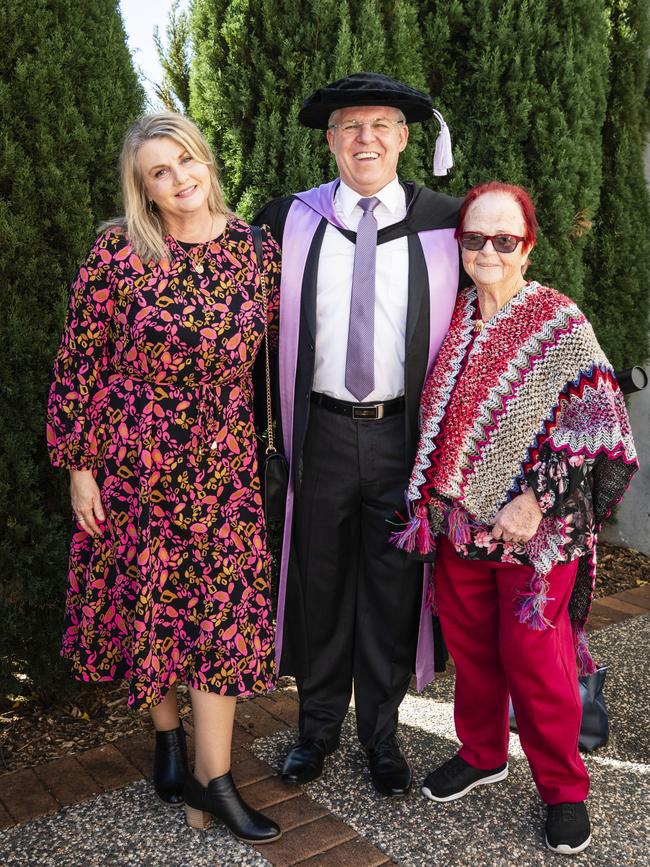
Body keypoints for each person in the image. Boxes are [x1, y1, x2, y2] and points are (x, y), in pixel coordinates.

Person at [47, 112, 282, 843]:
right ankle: (168, 740)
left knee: (222, 616)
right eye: (159, 172)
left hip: (223, 465)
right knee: (149, 607)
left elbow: (279, 353)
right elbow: (79, 363)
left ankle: (213, 778)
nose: (179, 180)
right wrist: (80, 469)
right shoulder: (119, 253)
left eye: (185, 161)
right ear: (142, 188)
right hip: (134, 464)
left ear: (205, 160)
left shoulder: (255, 250)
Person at [392, 181, 638, 854]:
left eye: (505, 239)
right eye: (476, 238)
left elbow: (601, 426)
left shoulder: (560, 323)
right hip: (459, 526)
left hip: (539, 537)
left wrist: (537, 498)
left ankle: (564, 786)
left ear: (528, 246)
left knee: (537, 659)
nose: (489, 250)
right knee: (472, 652)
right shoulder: (454, 314)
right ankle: (482, 752)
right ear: (461, 244)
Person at [255, 72, 462, 796]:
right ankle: (314, 731)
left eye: (381, 124)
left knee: (391, 584)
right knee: (318, 581)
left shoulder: (448, 224)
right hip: (322, 434)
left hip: (406, 437)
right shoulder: (288, 220)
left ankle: (381, 734)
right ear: (331, 139)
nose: (365, 137)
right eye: (350, 126)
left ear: (405, 137)